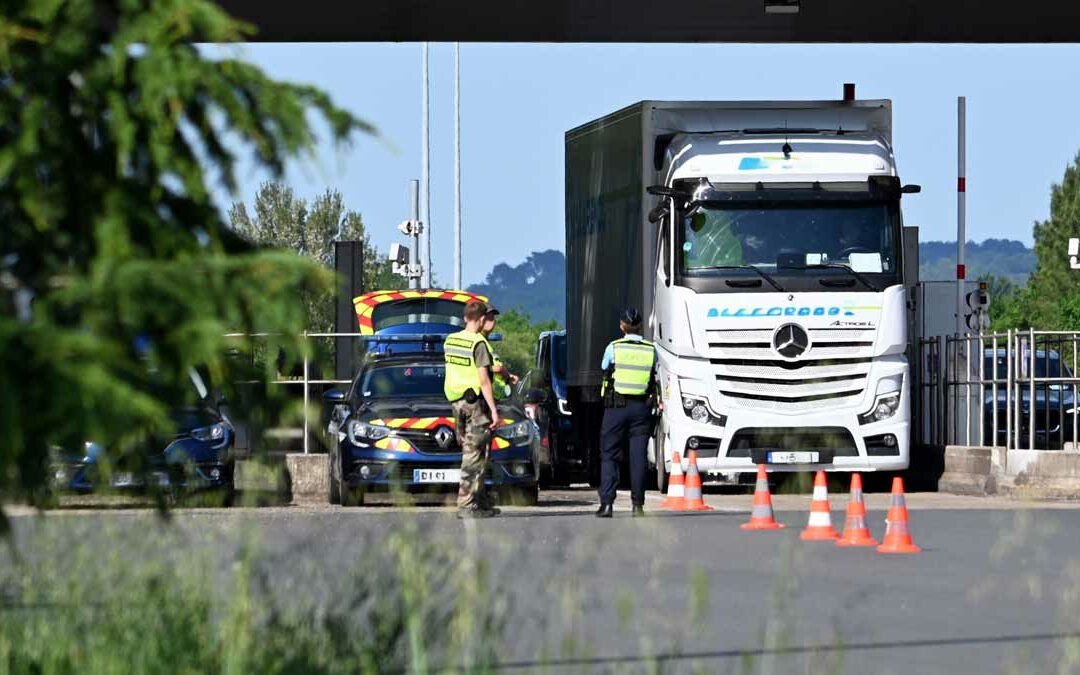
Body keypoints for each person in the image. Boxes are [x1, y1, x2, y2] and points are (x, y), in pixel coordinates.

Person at [596, 308, 661, 518]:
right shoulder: (651, 349)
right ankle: (638, 506)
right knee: (638, 457)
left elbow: (604, 367)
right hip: (641, 409)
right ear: (641, 326)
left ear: (622, 325)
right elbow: (655, 373)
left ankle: (607, 504)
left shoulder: (614, 347)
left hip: (616, 408)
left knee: (609, 455)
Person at [443, 301, 502, 519]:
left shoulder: (451, 340)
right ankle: (467, 504)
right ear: (480, 319)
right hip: (474, 404)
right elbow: (484, 381)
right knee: (473, 455)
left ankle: (481, 501)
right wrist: (494, 412)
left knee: (477, 452)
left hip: (455, 403)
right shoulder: (478, 343)